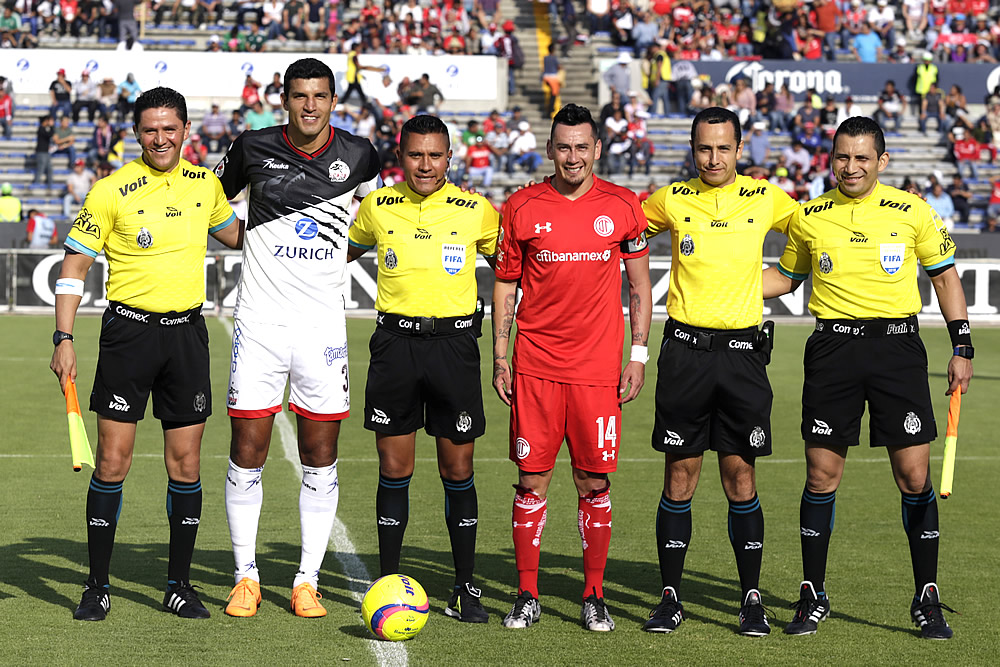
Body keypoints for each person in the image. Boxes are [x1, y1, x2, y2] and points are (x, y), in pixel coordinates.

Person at [764, 115, 972, 640]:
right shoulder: (809, 217)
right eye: (841, 156)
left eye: (861, 158)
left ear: (882, 161)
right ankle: (813, 593)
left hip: (897, 351)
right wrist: (717, 278)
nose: (849, 167)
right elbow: (784, 279)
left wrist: (962, 345)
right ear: (829, 158)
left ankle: (927, 597)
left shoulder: (913, 211)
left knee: (914, 478)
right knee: (820, 477)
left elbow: (944, 277)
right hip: (832, 350)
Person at [49, 86, 241, 622]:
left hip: (186, 337)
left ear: (186, 131)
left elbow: (238, 237)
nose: (161, 138)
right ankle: (97, 586)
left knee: (185, 465)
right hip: (128, 336)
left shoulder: (206, 185)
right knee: (112, 462)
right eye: (151, 129)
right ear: (137, 133)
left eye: (170, 128)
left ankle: (178, 585)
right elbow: (73, 270)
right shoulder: (110, 190)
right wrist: (63, 339)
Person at [213, 57, 381, 619]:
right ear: (283, 99)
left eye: (321, 95)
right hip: (259, 324)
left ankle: (305, 580)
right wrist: (245, 239)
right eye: (300, 95)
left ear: (335, 100)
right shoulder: (250, 147)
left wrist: (336, 256)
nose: (310, 105)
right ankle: (245, 577)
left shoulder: (360, 156)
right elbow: (206, 203)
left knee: (320, 454)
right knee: (247, 449)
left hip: (322, 329)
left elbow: (374, 220)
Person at [638, 107, 798, 637]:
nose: (713, 158)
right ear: (692, 149)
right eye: (704, 148)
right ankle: (670, 597)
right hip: (685, 353)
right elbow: (617, 223)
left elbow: (815, 231)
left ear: (739, 148)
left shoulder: (767, 197)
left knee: (740, 475)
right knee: (680, 474)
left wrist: (779, 282)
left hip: (744, 357)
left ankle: (751, 598)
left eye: (723, 148)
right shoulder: (671, 199)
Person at [492, 103, 652, 632]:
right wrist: (499, 356)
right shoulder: (519, 207)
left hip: (597, 372)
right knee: (531, 481)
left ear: (598, 150)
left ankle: (594, 593)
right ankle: (527, 593)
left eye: (583, 147)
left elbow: (639, 287)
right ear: (550, 149)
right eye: (564, 147)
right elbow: (506, 285)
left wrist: (638, 355)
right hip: (535, 367)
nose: (573, 156)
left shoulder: (625, 207)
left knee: (593, 483)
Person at [346, 114, 498, 623]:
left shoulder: (477, 211)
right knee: (395, 469)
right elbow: (333, 256)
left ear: (450, 158)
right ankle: (390, 583)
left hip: (455, 347)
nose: (425, 165)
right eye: (415, 155)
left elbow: (515, 269)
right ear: (401, 157)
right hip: (395, 347)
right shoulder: (377, 206)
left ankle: (465, 586)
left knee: (458, 470)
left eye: (435, 155)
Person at [33, 115, 56, 189]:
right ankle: (36, 184)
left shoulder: (44, 129)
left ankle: (50, 185)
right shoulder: (41, 129)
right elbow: (50, 134)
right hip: (41, 152)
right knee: (41, 169)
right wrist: (52, 126)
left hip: (46, 152)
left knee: (49, 169)